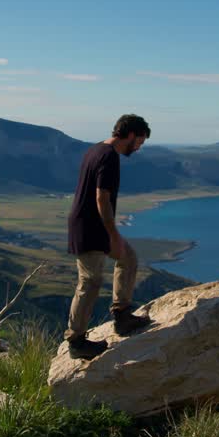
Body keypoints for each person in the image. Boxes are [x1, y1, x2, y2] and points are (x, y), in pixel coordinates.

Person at [64, 114, 153, 359]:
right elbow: (101, 197)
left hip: (91, 224)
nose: (139, 147)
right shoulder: (109, 156)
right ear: (132, 135)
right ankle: (76, 341)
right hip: (89, 227)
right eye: (140, 142)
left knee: (128, 258)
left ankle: (122, 316)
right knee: (89, 282)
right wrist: (112, 233)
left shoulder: (95, 150)